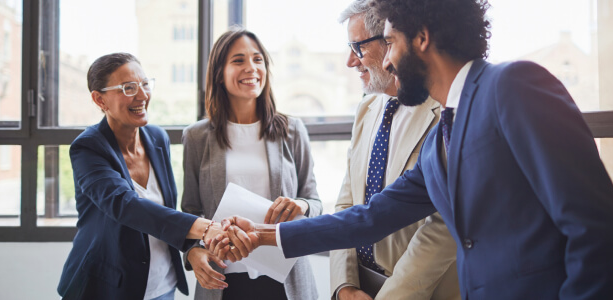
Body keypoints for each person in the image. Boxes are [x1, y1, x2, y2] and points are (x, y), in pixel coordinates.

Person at [219, 0, 613, 299]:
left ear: (421, 38)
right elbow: (368, 217)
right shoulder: (440, 141)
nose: (390, 62)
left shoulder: (514, 86)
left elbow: (596, 228)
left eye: (392, 43)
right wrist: (262, 235)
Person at [57, 53, 253, 300]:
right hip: (107, 288)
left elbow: (165, 210)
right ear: (99, 99)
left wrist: (191, 248)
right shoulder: (88, 148)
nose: (142, 95)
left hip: (161, 286)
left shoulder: (157, 139)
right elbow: (126, 206)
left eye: (145, 84)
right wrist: (207, 229)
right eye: (128, 88)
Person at [330, 1, 459, 300]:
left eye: (357, 47)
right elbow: (346, 204)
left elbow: (442, 228)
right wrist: (345, 286)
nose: (351, 61)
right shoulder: (367, 107)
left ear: (391, 41)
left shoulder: (444, 113)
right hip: (360, 284)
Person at [180, 28, 321, 300]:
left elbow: (313, 201)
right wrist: (192, 251)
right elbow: (190, 210)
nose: (251, 68)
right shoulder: (196, 137)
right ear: (219, 73)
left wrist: (300, 205)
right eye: (238, 60)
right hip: (222, 279)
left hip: (285, 280)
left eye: (258, 60)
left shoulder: (292, 130)